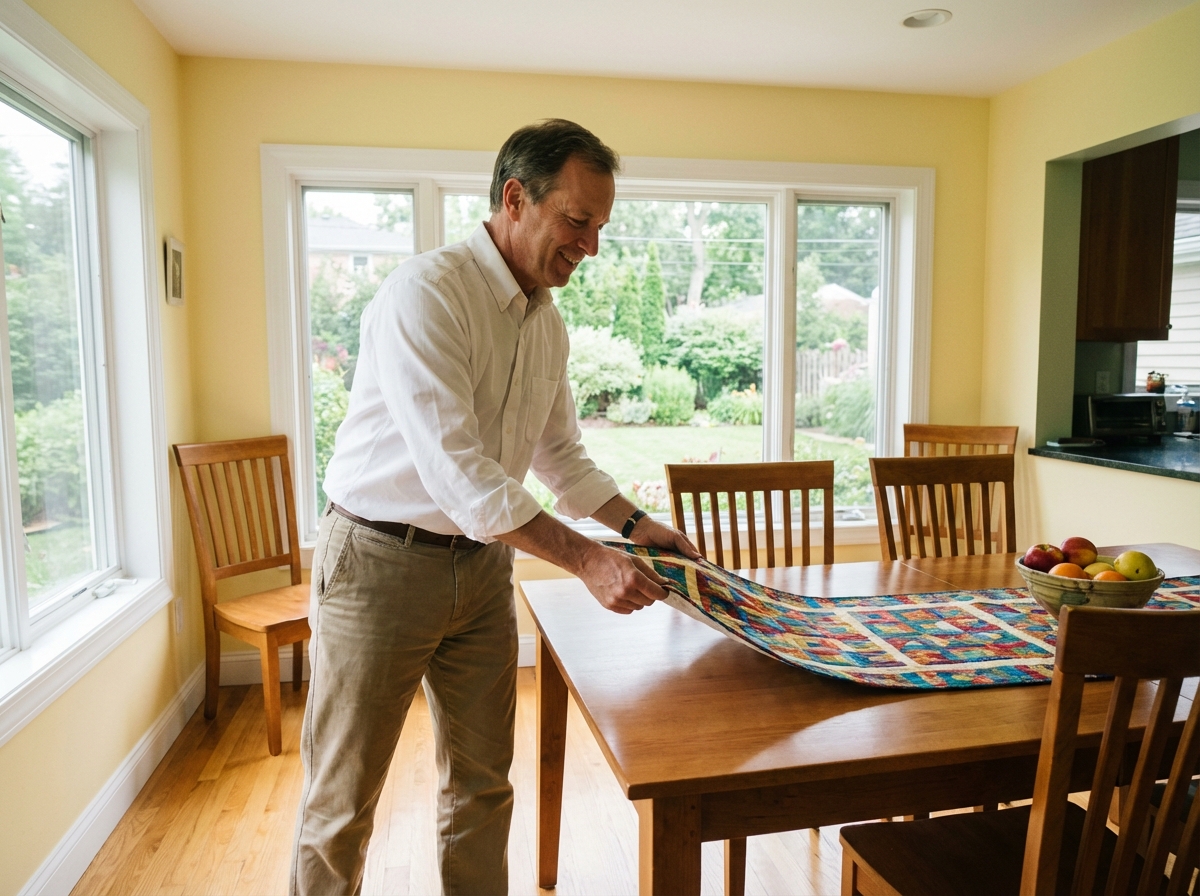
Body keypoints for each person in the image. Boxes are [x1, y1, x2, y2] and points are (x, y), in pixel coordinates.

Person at [289, 119, 701, 896]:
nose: (592, 245)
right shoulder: (427, 294)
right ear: (516, 198)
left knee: (482, 788)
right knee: (341, 803)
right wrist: (586, 559)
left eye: (601, 227)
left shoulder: (545, 323)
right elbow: (462, 477)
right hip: (376, 567)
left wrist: (639, 529)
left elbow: (560, 460)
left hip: (481, 571)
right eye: (578, 221)